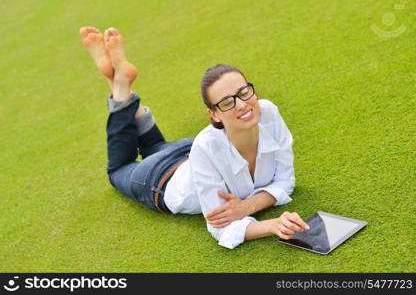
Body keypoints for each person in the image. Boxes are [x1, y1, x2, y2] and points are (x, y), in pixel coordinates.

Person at [79, 27, 310, 249]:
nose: (242, 105)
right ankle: (119, 87)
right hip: (161, 178)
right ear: (214, 114)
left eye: (243, 92)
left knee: (154, 146)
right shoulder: (206, 144)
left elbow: (286, 181)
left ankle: (120, 83)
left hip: (191, 153)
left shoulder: (267, 112)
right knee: (118, 170)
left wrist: (247, 206)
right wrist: (271, 225)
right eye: (227, 102)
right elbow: (219, 228)